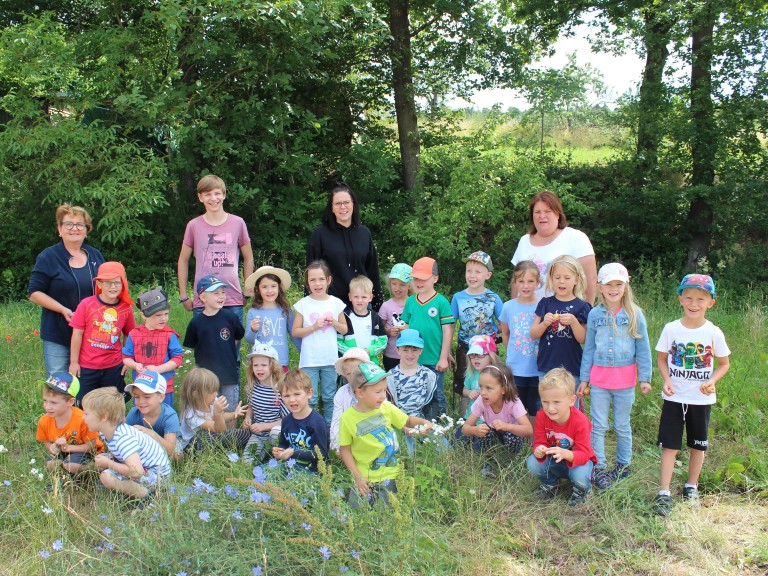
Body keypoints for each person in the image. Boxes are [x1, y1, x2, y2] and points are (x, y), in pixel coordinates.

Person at [653, 274, 730, 517]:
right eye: (689, 298)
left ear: (711, 303)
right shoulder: (671, 328)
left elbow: (724, 364)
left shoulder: (713, 332)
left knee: (698, 444)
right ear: (680, 299)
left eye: (700, 299)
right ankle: (664, 492)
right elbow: (662, 359)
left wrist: (711, 381)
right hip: (674, 398)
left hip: (700, 399)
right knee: (669, 445)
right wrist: (666, 380)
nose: (694, 303)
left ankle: (691, 487)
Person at [577, 263, 652, 489]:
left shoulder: (634, 314)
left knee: (622, 425)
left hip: (625, 380)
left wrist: (645, 378)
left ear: (625, 286)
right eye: (609, 284)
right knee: (598, 425)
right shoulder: (594, 315)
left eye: (618, 284)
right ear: (600, 287)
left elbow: (643, 348)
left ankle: (623, 465)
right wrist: (584, 378)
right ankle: (598, 466)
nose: (613, 289)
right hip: (599, 380)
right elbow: (588, 348)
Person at [338, 363, 432, 507]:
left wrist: (423, 422)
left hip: (390, 475)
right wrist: (357, 477)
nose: (383, 396)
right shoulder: (347, 418)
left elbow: (407, 420)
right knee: (357, 513)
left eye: (384, 390)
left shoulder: (386, 407)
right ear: (360, 393)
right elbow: (345, 449)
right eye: (377, 392)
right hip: (363, 476)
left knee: (385, 513)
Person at [29, 204, 106, 376]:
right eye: (68, 224)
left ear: (87, 230)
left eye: (80, 224)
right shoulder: (48, 257)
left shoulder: (96, 256)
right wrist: (63, 310)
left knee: (89, 384)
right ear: (59, 229)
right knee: (60, 384)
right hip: (58, 332)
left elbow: (107, 288)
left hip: (92, 333)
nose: (74, 229)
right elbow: (34, 293)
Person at [177, 174, 254, 320]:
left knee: (232, 342)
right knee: (205, 343)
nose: (213, 198)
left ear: (224, 195)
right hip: (204, 298)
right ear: (200, 197)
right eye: (208, 194)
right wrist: (183, 296)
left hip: (232, 298)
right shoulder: (194, 226)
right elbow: (183, 260)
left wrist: (247, 291)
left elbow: (248, 257)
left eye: (217, 193)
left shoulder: (238, 223)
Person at [83, 387, 170, 503]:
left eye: (86, 414)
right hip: (144, 468)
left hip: (156, 476)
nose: (83, 417)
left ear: (104, 417)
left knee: (106, 477)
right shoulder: (106, 431)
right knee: (103, 459)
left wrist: (109, 463)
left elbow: (136, 471)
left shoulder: (123, 438)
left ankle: (148, 496)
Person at [511, 190, 597, 304]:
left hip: (563, 315)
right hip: (526, 314)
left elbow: (590, 280)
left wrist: (586, 314)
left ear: (557, 214)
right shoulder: (524, 241)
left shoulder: (575, 237)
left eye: (547, 211)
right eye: (537, 212)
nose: (542, 216)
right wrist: (513, 309)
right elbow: (516, 280)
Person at [526, 368, 597, 506]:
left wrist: (566, 454)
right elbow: (540, 441)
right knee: (532, 462)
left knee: (581, 474)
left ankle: (583, 490)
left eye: (556, 402)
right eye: (545, 402)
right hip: (555, 460)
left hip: (578, 462)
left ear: (571, 400)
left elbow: (584, 454)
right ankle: (552, 484)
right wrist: (539, 449)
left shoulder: (581, 421)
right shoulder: (541, 416)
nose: (550, 408)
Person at [307, 183, 383, 310]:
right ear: (331, 208)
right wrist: (311, 303)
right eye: (337, 203)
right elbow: (311, 272)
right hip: (330, 305)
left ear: (353, 204)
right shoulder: (320, 234)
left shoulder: (364, 233)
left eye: (346, 202)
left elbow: (372, 270)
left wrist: (377, 304)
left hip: (361, 304)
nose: (343, 207)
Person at [69, 261, 135, 403]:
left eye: (117, 283)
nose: (113, 287)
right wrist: (74, 363)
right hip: (87, 366)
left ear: (123, 283)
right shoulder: (86, 304)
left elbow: (129, 334)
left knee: (112, 403)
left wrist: (127, 359)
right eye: (107, 283)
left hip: (113, 366)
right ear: (99, 284)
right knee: (84, 403)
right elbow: (77, 334)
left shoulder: (126, 308)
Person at [530, 255, 591, 407]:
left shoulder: (582, 307)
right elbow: (533, 334)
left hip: (571, 367)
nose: (561, 281)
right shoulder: (545, 303)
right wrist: (544, 324)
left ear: (576, 279)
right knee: (547, 405)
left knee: (570, 406)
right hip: (547, 365)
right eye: (557, 277)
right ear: (551, 278)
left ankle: (571, 431)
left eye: (567, 277)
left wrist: (574, 322)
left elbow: (583, 339)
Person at [292, 260, 348, 424]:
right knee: (311, 397)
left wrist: (334, 323)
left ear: (328, 280)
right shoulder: (303, 304)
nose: (317, 284)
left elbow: (344, 329)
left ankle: (330, 428)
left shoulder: (336, 303)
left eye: (321, 279)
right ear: (307, 283)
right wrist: (314, 327)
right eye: (312, 280)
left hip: (330, 359)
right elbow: (295, 331)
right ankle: (311, 426)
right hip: (309, 360)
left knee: (329, 395)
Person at [400, 257, 454, 421]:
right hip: (413, 359)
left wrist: (444, 357)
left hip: (434, 359)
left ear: (435, 278)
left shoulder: (441, 302)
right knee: (416, 392)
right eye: (416, 278)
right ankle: (420, 425)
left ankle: (440, 425)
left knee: (435, 394)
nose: (419, 282)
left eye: (423, 278)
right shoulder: (410, 301)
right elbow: (406, 328)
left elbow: (447, 331)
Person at [183, 275, 246, 411]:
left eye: (223, 292)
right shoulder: (196, 323)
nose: (221, 296)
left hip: (229, 375)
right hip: (206, 379)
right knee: (208, 411)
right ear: (203, 297)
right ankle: (212, 433)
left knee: (230, 410)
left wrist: (225, 349)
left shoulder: (230, 317)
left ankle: (231, 432)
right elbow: (194, 346)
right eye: (215, 293)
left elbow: (237, 337)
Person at [450, 250, 504, 411]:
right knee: (464, 378)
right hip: (465, 347)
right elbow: (451, 324)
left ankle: (492, 413)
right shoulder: (458, 297)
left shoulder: (493, 298)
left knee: (492, 378)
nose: (472, 275)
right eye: (469, 271)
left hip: (488, 349)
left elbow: (504, 324)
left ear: (488, 275)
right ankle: (465, 415)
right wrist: (446, 351)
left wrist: (493, 332)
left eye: (478, 272)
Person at [122, 287, 184, 407]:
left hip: (164, 386)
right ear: (143, 315)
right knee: (141, 416)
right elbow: (126, 357)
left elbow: (177, 359)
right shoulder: (134, 334)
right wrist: (135, 365)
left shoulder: (170, 335)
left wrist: (159, 369)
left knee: (164, 415)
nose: (164, 318)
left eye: (166, 314)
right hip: (141, 386)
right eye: (158, 315)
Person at [459, 364, 532, 458]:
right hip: (493, 432)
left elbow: (529, 430)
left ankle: (511, 460)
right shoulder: (481, 400)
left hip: (510, 432)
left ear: (503, 389)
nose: (483, 392)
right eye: (481, 386)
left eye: (489, 388)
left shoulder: (513, 402)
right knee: (484, 432)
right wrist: (475, 430)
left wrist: (507, 426)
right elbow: (465, 428)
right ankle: (490, 461)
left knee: (513, 436)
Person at [499, 260, 542, 417]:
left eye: (530, 281)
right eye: (521, 281)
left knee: (535, 409)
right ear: (515, 282)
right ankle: (517, 439)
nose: (525, 286)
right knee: (516, 408)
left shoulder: (543, 305)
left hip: (537, 369)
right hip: (515, 369)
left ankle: (533, 440)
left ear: (538, 282)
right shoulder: (508, 307)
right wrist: (511, 355)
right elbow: (505, 333)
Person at [37, 372, 101, 475]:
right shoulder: (44, 420)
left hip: (83, 452)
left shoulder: (83, 419)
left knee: (71, 465)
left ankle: (92, 471)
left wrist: (69, 448)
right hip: (62, 451)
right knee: (51, 464)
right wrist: (51, 448)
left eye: (53, 402)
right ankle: (61, 481)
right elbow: (46, 441)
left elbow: (92, 446)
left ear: (70, 402)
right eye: (45, 400)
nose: (47, 407)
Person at [175, 367, 249, 455]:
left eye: (215, 391)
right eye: (212, 392)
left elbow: (222, 416)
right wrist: (217, 414)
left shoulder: (211, 401)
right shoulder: (191, 415)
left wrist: (233, 414)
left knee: (244, 434)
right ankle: (205, 456)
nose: (216, 394)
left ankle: (220, 450)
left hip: (213, 435)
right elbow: (220, 430)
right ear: (197, 395)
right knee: (205, 436)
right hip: (192, 445)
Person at [272, 370, 329, 473]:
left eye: (297, 394)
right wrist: (280, 451)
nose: (292, 400)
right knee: (264, 471)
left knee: (289, 481)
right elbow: (283, 443)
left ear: (309, 393)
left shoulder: (317, 422)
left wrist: (293, 452)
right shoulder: (286, 421)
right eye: (286, 396)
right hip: (290, 464)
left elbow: (321, 453)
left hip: (311, 469)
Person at [243, 265, 296, 371]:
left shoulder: (285, 310)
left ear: (279, 287)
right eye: (264, 287)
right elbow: (249, 339)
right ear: (258, 289)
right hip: (260, 363)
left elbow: (294, 334)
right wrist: (253, 330)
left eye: (273, 286)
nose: (269, 290)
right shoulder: (253, 312)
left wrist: (304, 353)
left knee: (280, 388)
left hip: (280, 361)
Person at [242, 343, 287, 463]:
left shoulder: (280, 389)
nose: (259, 369)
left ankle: (279, 454)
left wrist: (264, 426)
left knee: (276, 434)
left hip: (277, 432)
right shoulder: (253, 386)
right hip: (259, 434)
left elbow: (287, 420)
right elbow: (251, 406)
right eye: (255, 365)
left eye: (263, 365)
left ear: (272, 366)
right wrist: (247, 418)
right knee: (247, 462)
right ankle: (265, 453)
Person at [125, 371, 180, 457]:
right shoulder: (134, 413)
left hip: (166, 447)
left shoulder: (169, 416)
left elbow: (170, 450)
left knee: (176, 455)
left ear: (161, 397)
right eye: (137, 396)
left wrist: (150, 433)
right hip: (145, 448)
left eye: (147, 397)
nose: (141, 401)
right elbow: (122, 435)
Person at [385, 329, 437, 419]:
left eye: (414, 350)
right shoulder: (390, 376)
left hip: (422, 424)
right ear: (398, 350)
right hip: (399, 423)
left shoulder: (429, 375)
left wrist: (429, 424)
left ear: (420, 351)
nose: (410, 354)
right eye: (405, 350)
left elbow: (433, 404)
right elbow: (388, 405)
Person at [338, 275, 387, 363]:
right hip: (350, 364)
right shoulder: (345, 317)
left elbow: (383, 340)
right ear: (350, 297)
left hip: (371, 364)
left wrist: (369, 351)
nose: (359, 300)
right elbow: (338, 341)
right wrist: (351, 353)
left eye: (364, 297)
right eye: (356, 297)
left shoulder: (375, 318)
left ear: (370, 298)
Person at [329, 348, 371, 452]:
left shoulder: (374, 390)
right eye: (348, 374)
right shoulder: (341, 393)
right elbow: (336, 422)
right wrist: (337, 447)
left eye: (357, 372)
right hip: (349, 438)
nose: (353, 377)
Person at [378, 263, 414, 371]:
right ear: (390, 284)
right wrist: (388, 331)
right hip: (391, 355)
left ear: (409, 285)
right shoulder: (386, 306)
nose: (397, 288)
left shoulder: (414, 304)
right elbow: (380, 328)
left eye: (402, 284)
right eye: (394, 284)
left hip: (411, 354)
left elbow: (420, 325)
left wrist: (409, 328)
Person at [459, 335, 502, 420]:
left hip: (491, 420)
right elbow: (464, 390)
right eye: (472, 355)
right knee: (459, 432)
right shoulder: (471, 373)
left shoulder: (497, 375)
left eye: (480, 355)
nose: (475, 358)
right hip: (471, 418)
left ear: (491, 357)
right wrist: (469, 393)